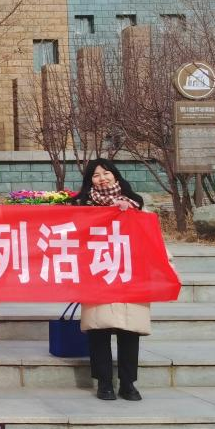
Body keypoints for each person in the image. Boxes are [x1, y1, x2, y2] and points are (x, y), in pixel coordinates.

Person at [71, 158, 149, 401]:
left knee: (129, 330)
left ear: (115, 175)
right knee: (99, 330)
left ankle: (128, 383)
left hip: (129, 273)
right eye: (96, 175)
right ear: (90, 181)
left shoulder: (136, 203)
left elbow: (149, 236)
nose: (102, 178)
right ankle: (104, 382)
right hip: (97, 271)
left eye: (106, 173)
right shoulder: (82, 205)